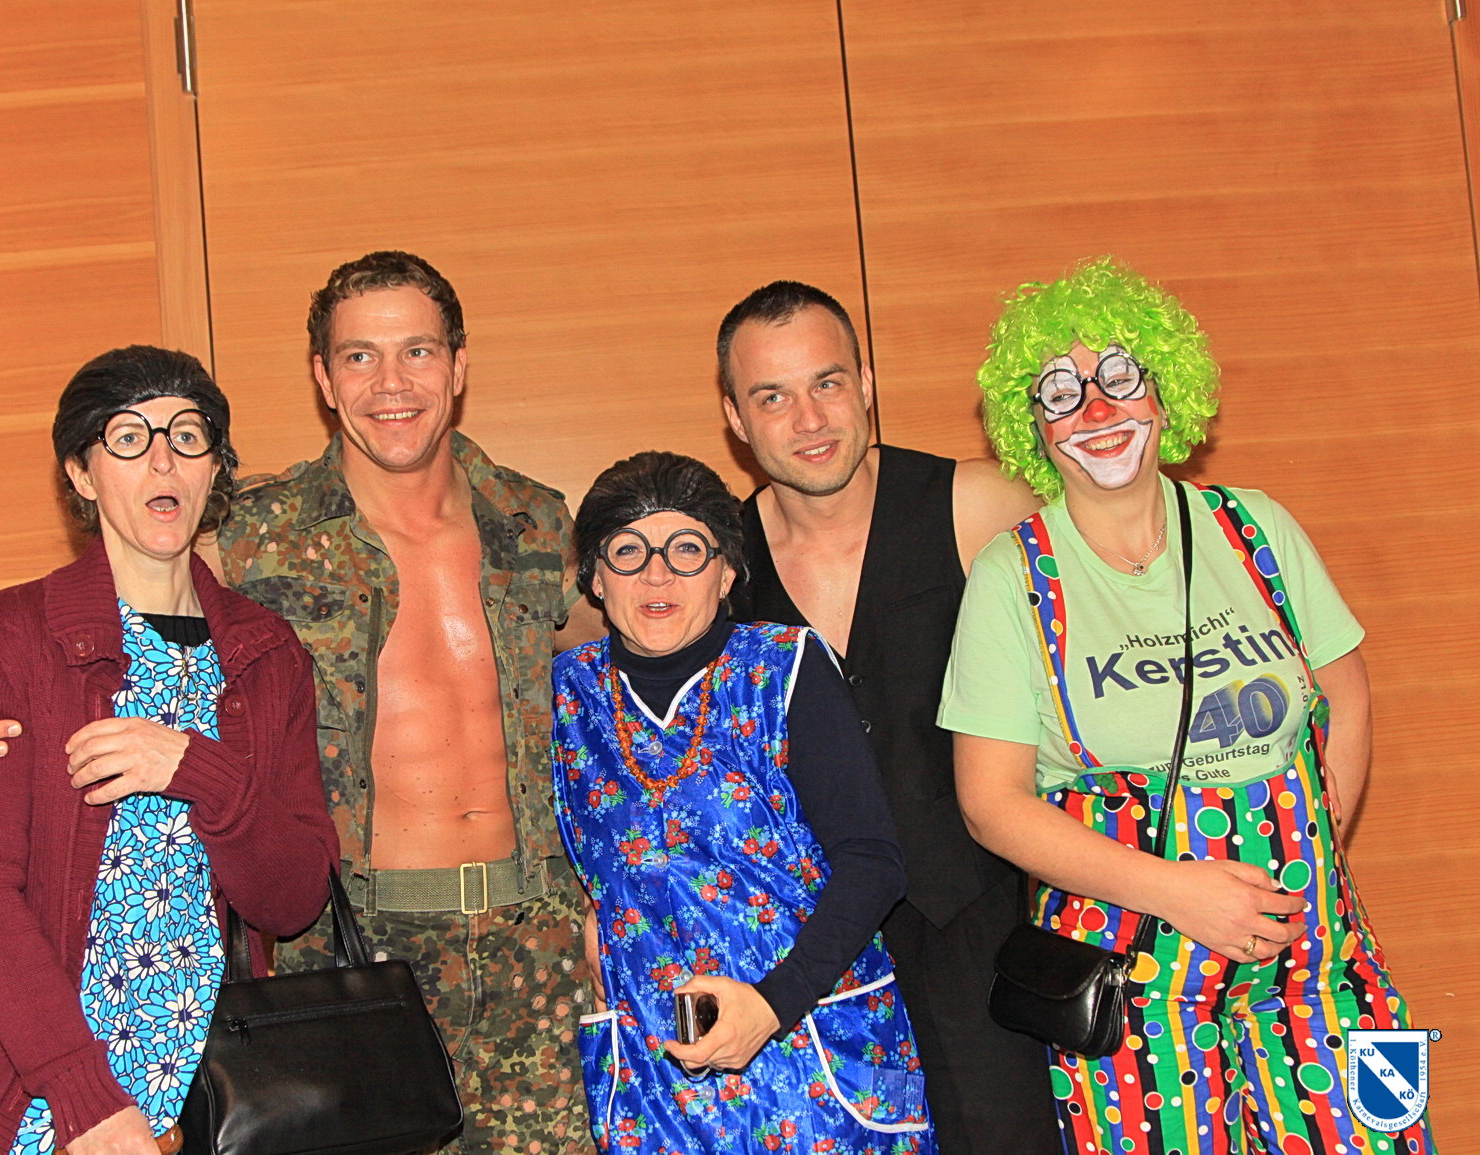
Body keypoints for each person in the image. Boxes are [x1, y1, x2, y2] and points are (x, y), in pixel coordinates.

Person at [0, 253, 599, 1153]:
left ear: (459, 365)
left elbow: (635, 665)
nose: (391, 382)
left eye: (419, 350)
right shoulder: (254, 533)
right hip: (350, 961)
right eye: (359, 356)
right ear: (323, 377)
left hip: (534, 952)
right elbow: (111, 596)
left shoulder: (539, 523)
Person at [939, 258, 1435, 1154]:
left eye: (1119, 376)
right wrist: (1180, 892)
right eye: (1061, 393)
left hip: (1316, 957)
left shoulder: (1257, 526)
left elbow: (1346, 695)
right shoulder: (1015, 577)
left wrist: (1311, 855)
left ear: (1165, 394)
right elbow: (990, 802)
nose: (1097, 408)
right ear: (1035, 425)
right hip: (1137, 976)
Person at [0, 346, 336, 1155]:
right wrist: (84, 1096)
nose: (163, 460)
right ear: (81, 472)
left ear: (215, 467)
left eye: (187, 436)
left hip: (212, 1105)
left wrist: (196, 768)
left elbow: (293, 898)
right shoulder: (14, 633)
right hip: (41, 1102)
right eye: (129, 438)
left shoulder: (268, 653)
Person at [718, 282, 1058, 1154]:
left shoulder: (979, 504)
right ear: (735, 418)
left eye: (827, 382)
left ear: (866, 383)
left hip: (990, 936)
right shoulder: (717, 567)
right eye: (772, 396)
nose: (809, 419)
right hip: (813, 964)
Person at [553, 451, 935, 1153]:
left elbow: (873, 862)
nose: (658, 575)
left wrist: (773, 1003)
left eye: (687, 549)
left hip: (812, 1049)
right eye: (628, 551)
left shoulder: (785, 667)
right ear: (596, 579)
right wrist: (583, 906)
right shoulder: (564, 693)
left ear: (727, 571)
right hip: (653, 1079)